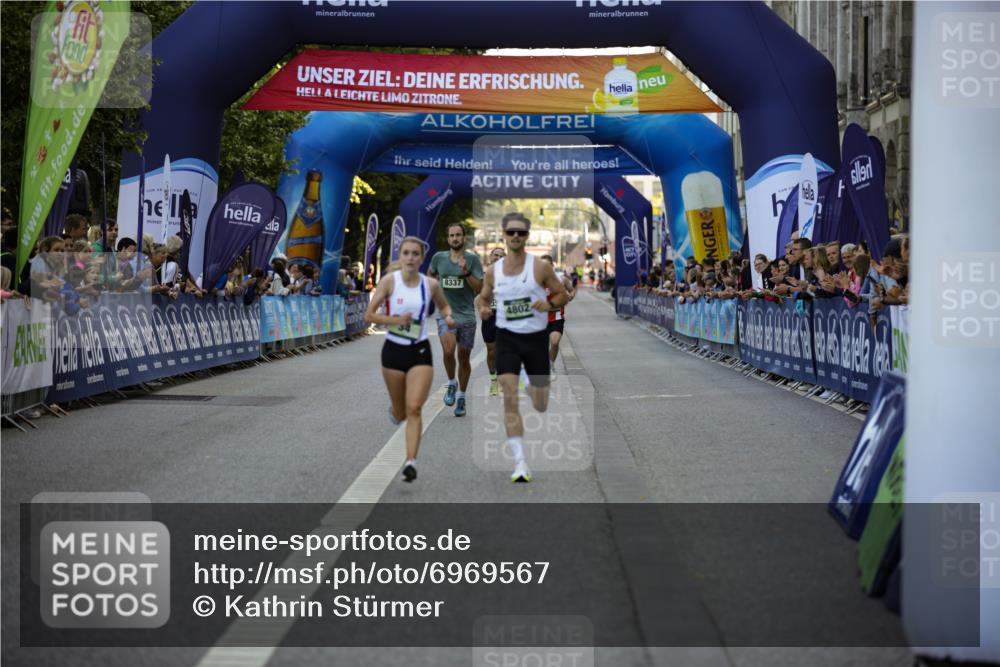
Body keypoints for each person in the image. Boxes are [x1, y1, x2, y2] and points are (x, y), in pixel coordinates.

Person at [476, 213, 569, 483]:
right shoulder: (493, 271)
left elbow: (562, 294)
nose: (516, 236)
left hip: (535, 339)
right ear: (504, 235)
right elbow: (483, 298)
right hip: (507, 338)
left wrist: (549, 304)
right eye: (511, 232)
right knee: (509, 399)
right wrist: (483, 309)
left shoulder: (540, 268)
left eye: (521, 232)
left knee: (540, 404)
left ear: (526, 236)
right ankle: (520, 463)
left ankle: (531, 381)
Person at [365, 237, 455, 483]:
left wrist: (448, 318)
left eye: (416, 253)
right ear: (401, 256)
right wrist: (394, 321)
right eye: (406, 253)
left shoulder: (431, 285)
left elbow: (444, 307)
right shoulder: (389, 282)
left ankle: (411, 462)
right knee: (401, 411)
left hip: (420, 351)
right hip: (393, 350)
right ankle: (395, 411)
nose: (411, 257)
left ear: (422, 258)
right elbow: (369, 315)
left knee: (415, 407)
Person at [427, 222, 484, 417]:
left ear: (464, 237)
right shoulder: (438, 258)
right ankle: (451, 382)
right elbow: (430, 276)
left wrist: (466, 271)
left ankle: (461, 397)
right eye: (451, 235)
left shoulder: (473, 260)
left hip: (467, 316)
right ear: (448, 238)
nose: (455, 238)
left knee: (464, 358)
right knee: (449, 350)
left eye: (458, 235)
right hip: (446, 315)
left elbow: (479, 288)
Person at [539, 254, 575, 380]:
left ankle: (551, 365)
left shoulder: (561, 279)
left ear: (552, 266)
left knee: (554, 342)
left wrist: (571, 295)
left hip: (556, 317)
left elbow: (571, 289)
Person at [481, 247, 506, 397]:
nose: (497, 258)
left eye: (501, 256)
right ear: (490, 257)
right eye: (495, 255)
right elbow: (477, 295)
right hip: (489, 317)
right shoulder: (483, 276)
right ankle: (493, 380)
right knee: (491, 351)